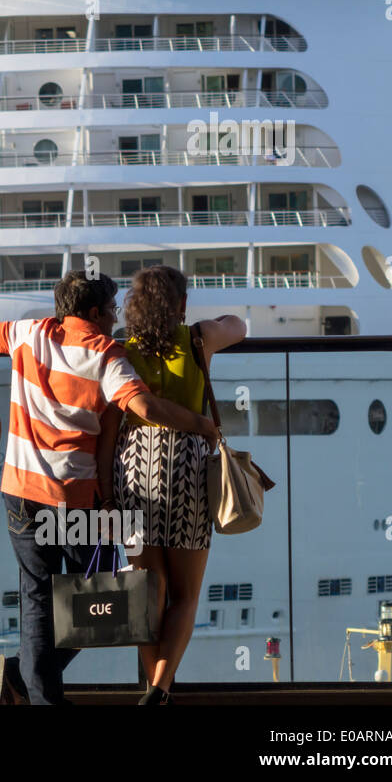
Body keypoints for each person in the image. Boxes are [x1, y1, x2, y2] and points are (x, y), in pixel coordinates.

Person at [0, 271, 218, 705]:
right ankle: (26, 678)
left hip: (20, 491)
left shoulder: (29, 332)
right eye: (112, 309)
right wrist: (202, 424)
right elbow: (144, 406)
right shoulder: (106, 354)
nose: (115, 316)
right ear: (96, 313)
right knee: (107, 597)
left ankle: (33, 685)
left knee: (38, 599)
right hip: (76, 501)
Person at [98, 265, 247, 704]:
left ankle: (151, 688)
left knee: (147, 598)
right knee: (184, 596)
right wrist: (202, 322)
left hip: (133, 468)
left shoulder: (120, 352)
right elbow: (239, 324)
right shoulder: (199, 339)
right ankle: (161, 690)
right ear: (181, 305)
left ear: (134, 307)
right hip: (187, 470)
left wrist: (107, 493)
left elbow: (108, 432)